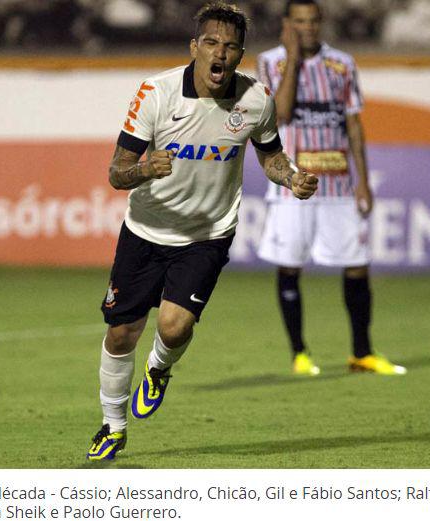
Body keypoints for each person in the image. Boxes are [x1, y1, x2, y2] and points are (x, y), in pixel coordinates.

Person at [87, 1, 319, 461]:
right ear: (195, 47)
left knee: (174, 328)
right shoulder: (156, 93)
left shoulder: (256, 99)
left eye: (231, 47)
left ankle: (158, 369)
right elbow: (117, 173)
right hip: (146, 229)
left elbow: (270, 156)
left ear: (240, 55)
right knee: (120, 335)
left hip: (207, 233)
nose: (221, 54)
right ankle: (113, 426)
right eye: (211, 43)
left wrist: (291, 177)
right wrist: (146, 169)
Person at [256, 0, 406, 377]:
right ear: (288, 24)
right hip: (291, 181)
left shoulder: (342, 64)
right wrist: (292, 58)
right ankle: (299, 353)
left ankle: (362, 352)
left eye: (313, 21)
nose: (307, 28)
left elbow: (354, 124)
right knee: (290, 265)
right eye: (299, 22)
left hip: (338, 182)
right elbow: (283, 113)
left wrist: (363, 182)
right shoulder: (270, 62)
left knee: (357, 265)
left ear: (321, 23)